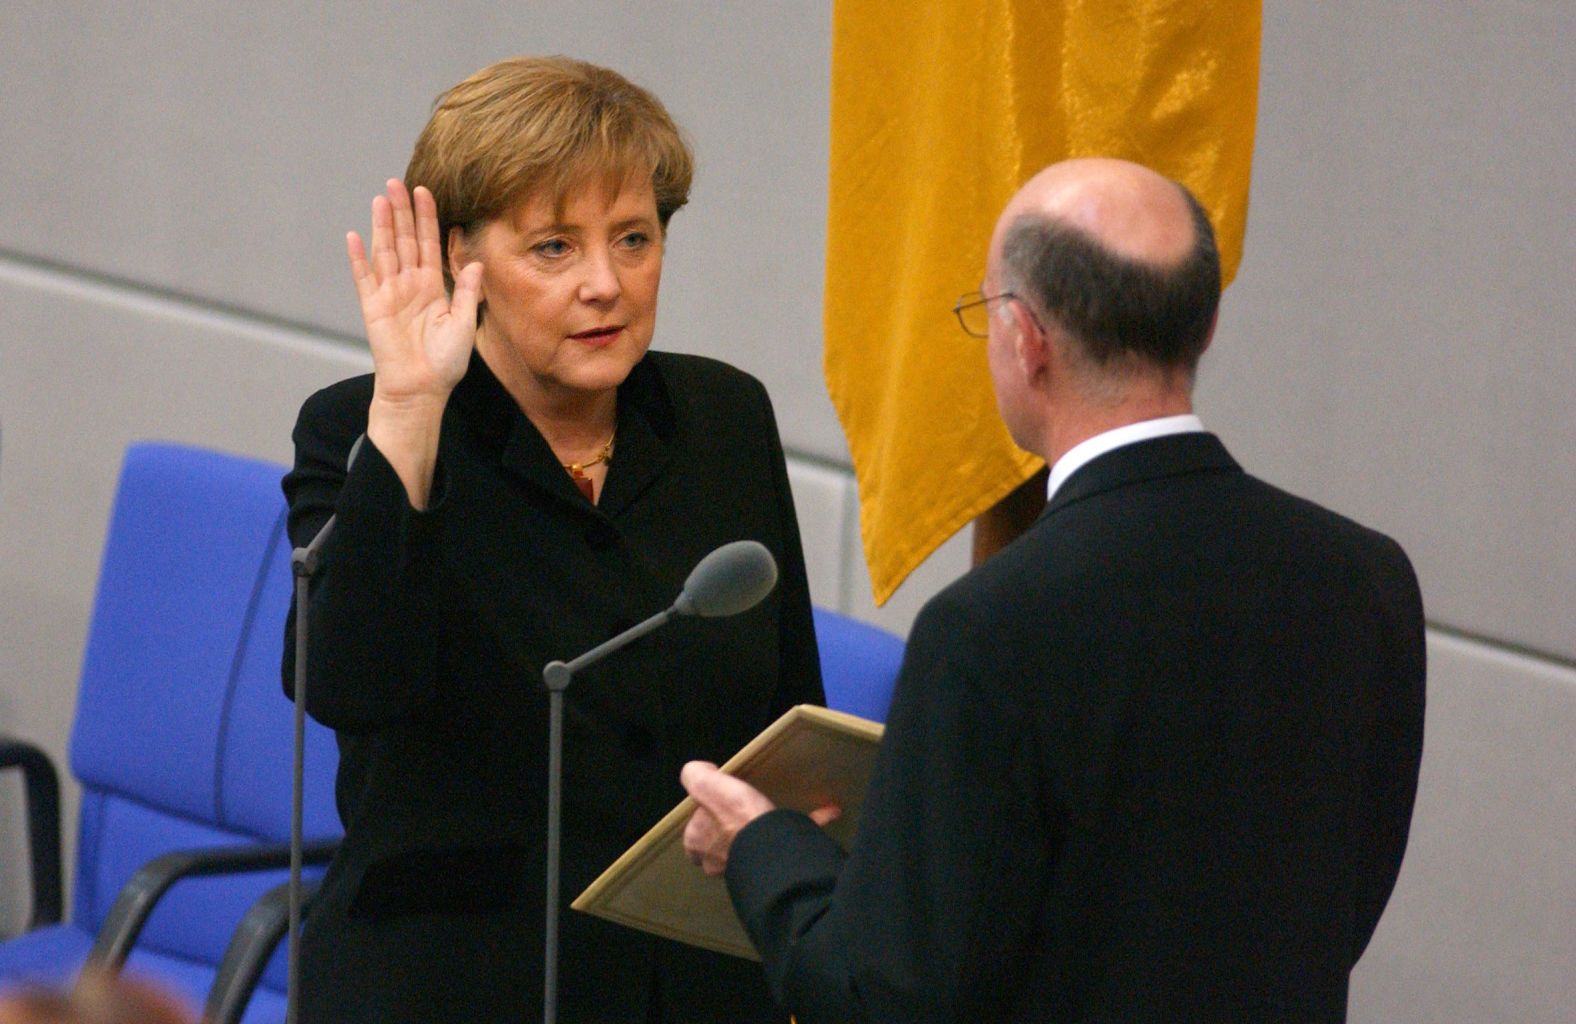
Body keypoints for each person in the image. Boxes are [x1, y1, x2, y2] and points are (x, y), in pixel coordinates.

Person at [681, 157, 1426, 1023]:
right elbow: (1346, 907)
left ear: (1025, 338)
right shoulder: (1366, 577)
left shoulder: (992, 625)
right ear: (1209, 323)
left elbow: (882, 1000)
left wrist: (761, 847)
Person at [282, 56, 822, 1023]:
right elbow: (347, 684)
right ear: (461, 257)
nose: (606, 285)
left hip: (692, 980)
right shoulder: (362, 427)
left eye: (634, 238)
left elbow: (786, 713)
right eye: (554, 249)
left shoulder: (724, 417)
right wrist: (408, 409)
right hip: (455, 981)